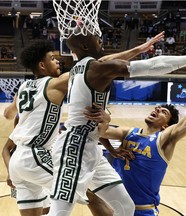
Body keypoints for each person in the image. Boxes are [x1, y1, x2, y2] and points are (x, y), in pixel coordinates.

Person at [47, 26, 186, 215]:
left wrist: (139, 49)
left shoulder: (82, 67)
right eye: (95, 37)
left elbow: (112, 59)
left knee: (126, 207)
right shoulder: (97, 68)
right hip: (73, 148)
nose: (100, 38)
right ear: (85, 45)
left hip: (90, 146)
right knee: (59, 213)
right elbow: (151, 65)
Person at [93, 56, 186, 215]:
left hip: (142, 211)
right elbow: (98, 131)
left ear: (166, 125)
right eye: (157, 108)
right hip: (117, 208)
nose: (157, 110)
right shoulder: (128, 133)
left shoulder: (163, 139)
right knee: (90, 194)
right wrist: (109, 137)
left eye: (163, 112)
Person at [3, 40, 116, 216]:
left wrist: (20, 110)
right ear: (42, 65)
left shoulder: (23, 88)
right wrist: (135, 52)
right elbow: (94, 68)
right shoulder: (54, 83)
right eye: (53, 58)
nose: (58, 61)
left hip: (17, 162)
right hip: (34, 156)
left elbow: (8, 114)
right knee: (87, 194)